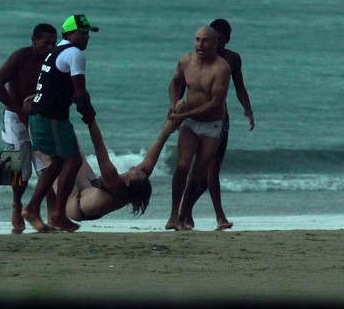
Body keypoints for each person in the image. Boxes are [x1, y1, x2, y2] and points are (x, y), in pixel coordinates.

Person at [22, 14, 99, 233]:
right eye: (83, 33)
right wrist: (88, 113)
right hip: (50, 117)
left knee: (56, 164)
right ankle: (56, 214)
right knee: (72, 161)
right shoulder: (74, 54)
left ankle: (32, 208)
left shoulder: (57, 51)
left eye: (88, 33)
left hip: (40, 115)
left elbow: (61, 86)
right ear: (69, 33)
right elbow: (80, 92)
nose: (86, 38)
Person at [0, 23, 59, 234]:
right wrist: (18, 109)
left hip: (40, 117)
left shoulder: (53, 60)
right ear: (34, 40)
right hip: (15, 117)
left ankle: (51, 214)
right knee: (20, 169)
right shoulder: (20, 57)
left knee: (48, 167)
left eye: (53, 43)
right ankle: (16, 205)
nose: (50, 47)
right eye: (46, 43)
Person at [165, 26, 231, 231]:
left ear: (215, 43)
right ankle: (174, 214)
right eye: (197, 40)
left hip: (212, 125)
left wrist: (182, 115)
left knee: (198, 173)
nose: (200, 45)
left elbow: (215, 102)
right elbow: (175, 83)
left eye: (205, 41)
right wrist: (173, 104)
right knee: (182, 165)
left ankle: (184, 216)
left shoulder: (222, 68)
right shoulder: (186, 61)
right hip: (190, 124)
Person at [191, 19, 255, 230]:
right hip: (197, 118)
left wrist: (248, 110)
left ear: (227, 39)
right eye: (212, 39)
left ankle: (185, 210)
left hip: (220, 119)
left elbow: (240, 87)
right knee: (206, 169)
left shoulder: (232, 59)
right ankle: (217, 217)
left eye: (220, 39)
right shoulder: (198, 58)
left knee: (210, 171)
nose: (215, 44)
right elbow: (185, 83)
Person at [65, 114, 182, 222]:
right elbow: (160, 142)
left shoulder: (112, 181)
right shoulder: (137, 183)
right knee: (70, 141)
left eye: (138, 173)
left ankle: (53, 216)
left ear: (127, 181)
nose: (140, 169)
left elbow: (98, 144)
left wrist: (91, 119)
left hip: (74, 206)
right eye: (143, 173)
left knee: (55, 158)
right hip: (89, 192)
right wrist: (174, 119)